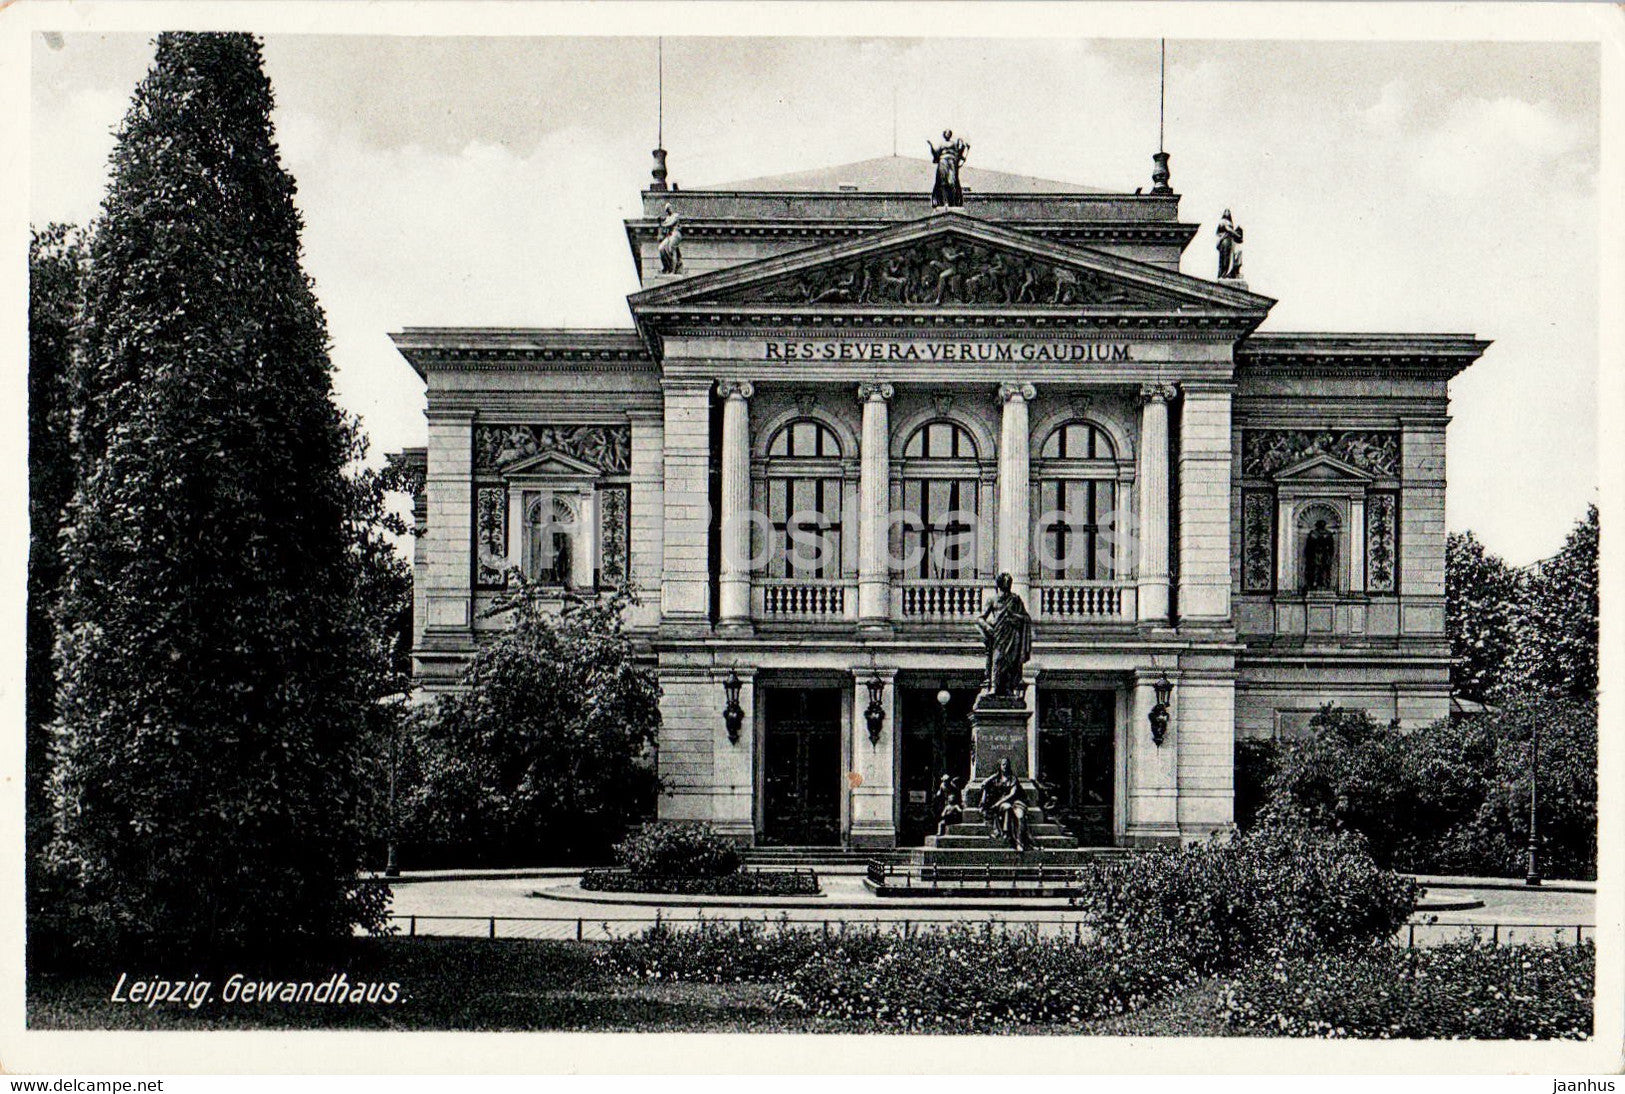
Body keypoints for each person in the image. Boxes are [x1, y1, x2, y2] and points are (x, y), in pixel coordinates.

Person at [976, 572, 1032, 697]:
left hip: (1013, 634)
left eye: (1009, 584)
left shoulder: (1016, 599)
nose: (1007, 587)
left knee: (1011, 662)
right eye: (1005, 584)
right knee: (997, 660)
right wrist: (988, 628)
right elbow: (980, 618)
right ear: (1000, 585)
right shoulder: (993, 600)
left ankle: (1008, 688)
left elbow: (1026, 617)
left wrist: (1014, 616)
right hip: (998, 634)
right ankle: (994, 687)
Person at [980, 758, 1033, 851]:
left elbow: (1012, 794)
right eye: (1003, 764)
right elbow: (984, 784)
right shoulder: (996, 779)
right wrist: (993, 776)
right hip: (1004, 803)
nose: (1005, 766)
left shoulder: (1013, 778)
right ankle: (1006, 832)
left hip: (1016, 802)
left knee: (1020, 817)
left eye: (1007, 764)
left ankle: (1020, 842)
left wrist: (998, 803)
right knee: (1007, 807)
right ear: (1000, 766)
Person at [928, 129, 969, 208]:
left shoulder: (953, 143)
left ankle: (952, 202)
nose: (948, 134)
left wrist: (963, 147)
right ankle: (944, 202)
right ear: (944, 134)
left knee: (952, 182)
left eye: (949, 133)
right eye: (946, 133)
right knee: (943, 182)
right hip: (943, 162)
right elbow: (936, 153)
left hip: (951, 162)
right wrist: (931, 145)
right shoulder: (941, 144)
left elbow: (958, 153)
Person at [1304, 518, 1336, 591]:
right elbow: (1309, 546)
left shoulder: (1327, 534)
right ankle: (1314, 583)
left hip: (1325, 554)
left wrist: (1330, 555)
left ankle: (1326, 583)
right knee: (1315, 568)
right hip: (1316, 554)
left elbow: (1331, 546)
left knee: (1326, 569)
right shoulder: (1313, 533)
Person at [1216, 209, 1244, 280]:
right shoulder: (1223, 221)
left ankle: (1230, 272)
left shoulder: (1230, 222)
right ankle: (1224, 273)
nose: (1227, 213)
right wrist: (1237, 234)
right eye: (1226, 211)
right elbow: (1228, 229)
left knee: (1233, 255)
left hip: (1230, 241)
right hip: (1225, 241)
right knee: (1225, 257)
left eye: (1229, 212)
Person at [657, 203, 684, 274]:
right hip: (669, 235)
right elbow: (664, 229)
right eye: (667, 209)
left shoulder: (676, 215)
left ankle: (673, 270)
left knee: (671, 248)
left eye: (669, 208)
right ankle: (666, 267)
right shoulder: (667, 218)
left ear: (671, 208)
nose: (669, 210)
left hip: (676, 234)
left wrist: (661, 224)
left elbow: (670, 224)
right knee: (661, 248)